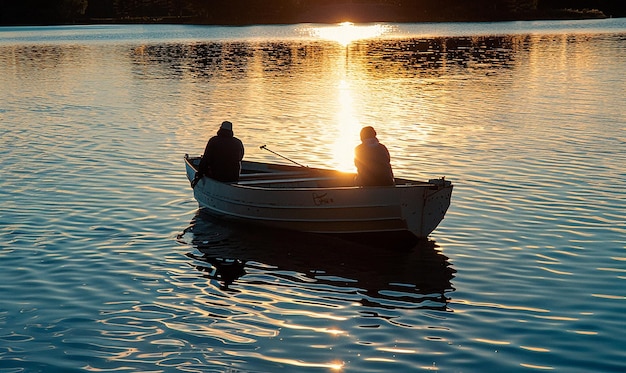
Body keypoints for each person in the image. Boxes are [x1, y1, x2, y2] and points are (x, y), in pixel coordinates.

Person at [192, 121, 244, 187]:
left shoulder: (213, 141)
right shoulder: (238, 142)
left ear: (220, 129)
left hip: (216, 176)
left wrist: (199, 174)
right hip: (233, 177)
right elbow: (240, 158)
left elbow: (205, 159)